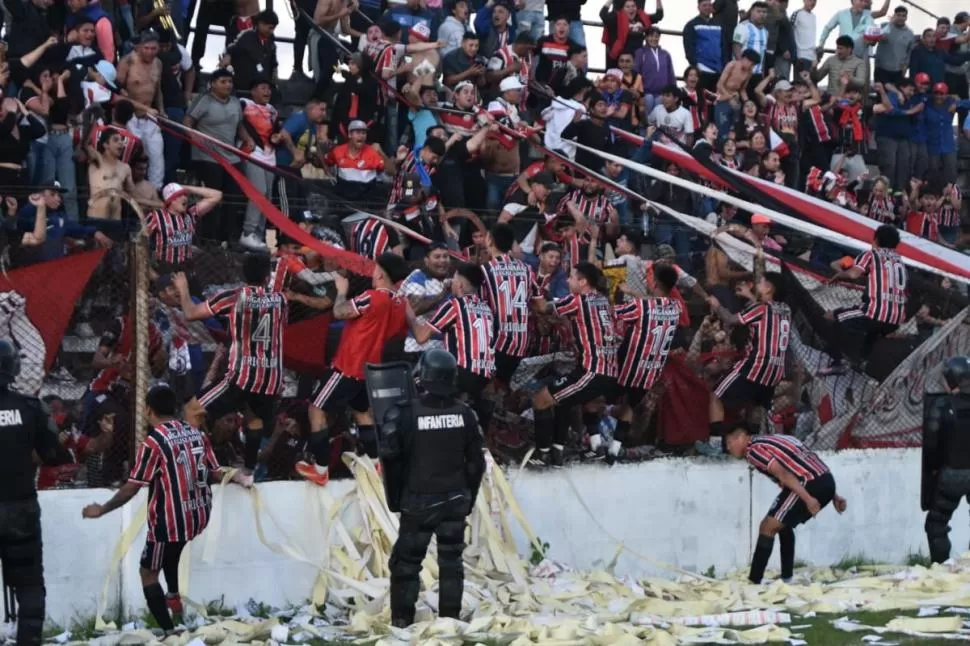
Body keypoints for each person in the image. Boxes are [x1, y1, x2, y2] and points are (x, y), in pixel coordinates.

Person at [81, 384, 252, 633]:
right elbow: (214, 472)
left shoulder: (154, 442)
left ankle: (169, 632)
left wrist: (103, 509)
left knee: (148, 571)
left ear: (148, 410)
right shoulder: (197, 434)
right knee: (173, 550)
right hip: (198, 514)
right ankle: (173, 596)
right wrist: (235, 475)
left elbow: (132, 487)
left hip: (169, 520)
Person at [382, 348, 486, 627]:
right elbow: (477, 464)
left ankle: (402, 624)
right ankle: (450, 622)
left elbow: (391, 462)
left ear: (422, 376)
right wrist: (468, 500)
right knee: (451, 563)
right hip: (455, 499)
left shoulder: (402, 413)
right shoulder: (466, 414)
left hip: (417, 501)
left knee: (405, 565)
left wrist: (395, 501)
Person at [298, 252, 411, 485]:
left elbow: (339, 312)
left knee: (316, 409)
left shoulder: (372, 297)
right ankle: (377, 462)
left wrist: (341, 290)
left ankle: (320, 469)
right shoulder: (399, 303)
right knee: (361, 413)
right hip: (369, 368)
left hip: (347, 366)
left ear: (380, 273)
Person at [175, 254, 288, 470]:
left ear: (243, 274)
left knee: (192, 410)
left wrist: (183, 288)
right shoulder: (281, 301)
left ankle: (192, 465)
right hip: (270, 379)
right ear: (266, 276)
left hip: (241, 376)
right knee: (254, 420)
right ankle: (248, 470)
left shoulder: (233, 297)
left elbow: (190, 313)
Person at [723, 423, 846, 583]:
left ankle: (754, 582)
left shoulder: (754, 450)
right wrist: (833, 495)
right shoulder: (776, 439)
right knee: (783, 524)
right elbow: (807, 461)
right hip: (826, 480)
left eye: (729, 443)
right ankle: (787, 577)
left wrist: (807, 498)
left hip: (807, 483)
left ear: (741, 437)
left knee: (767, 526)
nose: (728, 448)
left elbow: (782, 473)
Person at [0, 340, 62, 646]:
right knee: (29, 584)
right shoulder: (31, 407)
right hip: (20, 509)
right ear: (14, 367)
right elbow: (53, 453)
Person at [823, 224, 907, 374]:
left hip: (875, 312)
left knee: (832, 317)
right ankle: (862, 360)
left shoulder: (871, 255)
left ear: (876, 240)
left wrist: (838, 275)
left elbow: (853, 275)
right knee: (873, 329)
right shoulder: (900, 262)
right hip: (896, 319)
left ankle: (838, 362)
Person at [923, 356, 970, 564]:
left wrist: (934, 470)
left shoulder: (943, 405)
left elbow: (932, 445)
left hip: (952, 473)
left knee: (936, 525)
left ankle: (942, 569)